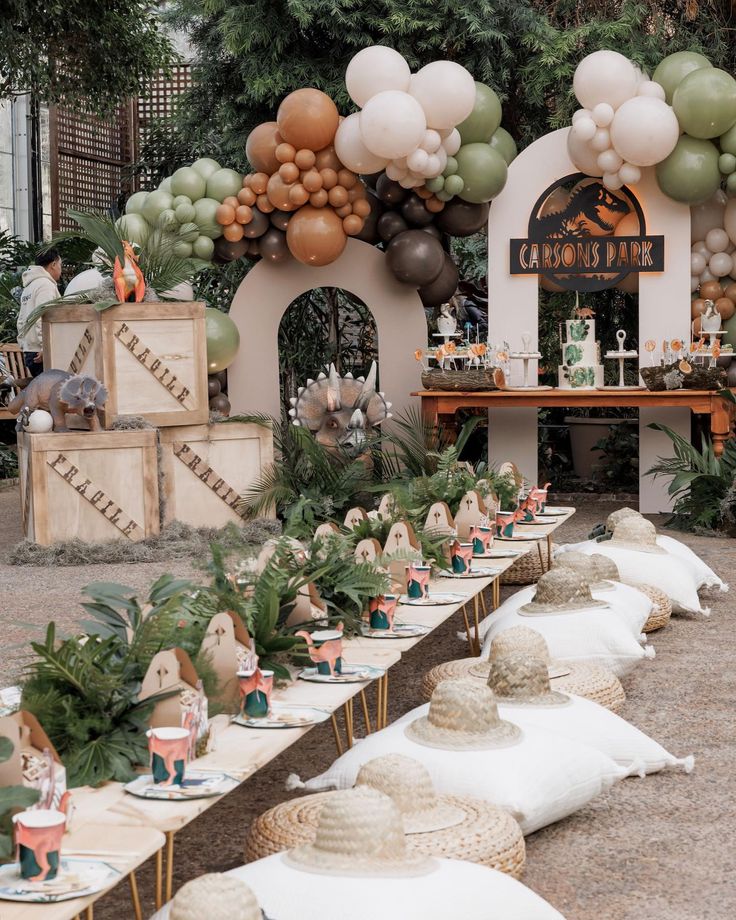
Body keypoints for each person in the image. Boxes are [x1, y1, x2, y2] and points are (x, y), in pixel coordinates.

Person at [17, 248, 62, 377]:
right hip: (41, 353)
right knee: (50, 394)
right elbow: (41, 317)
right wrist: (45, 348)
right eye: (60, 265)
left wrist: (24, 346)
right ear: (53, 265)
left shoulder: (29, 286)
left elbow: (21, 320)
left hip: (31, 351)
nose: (61, 269)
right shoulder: (45, 285)